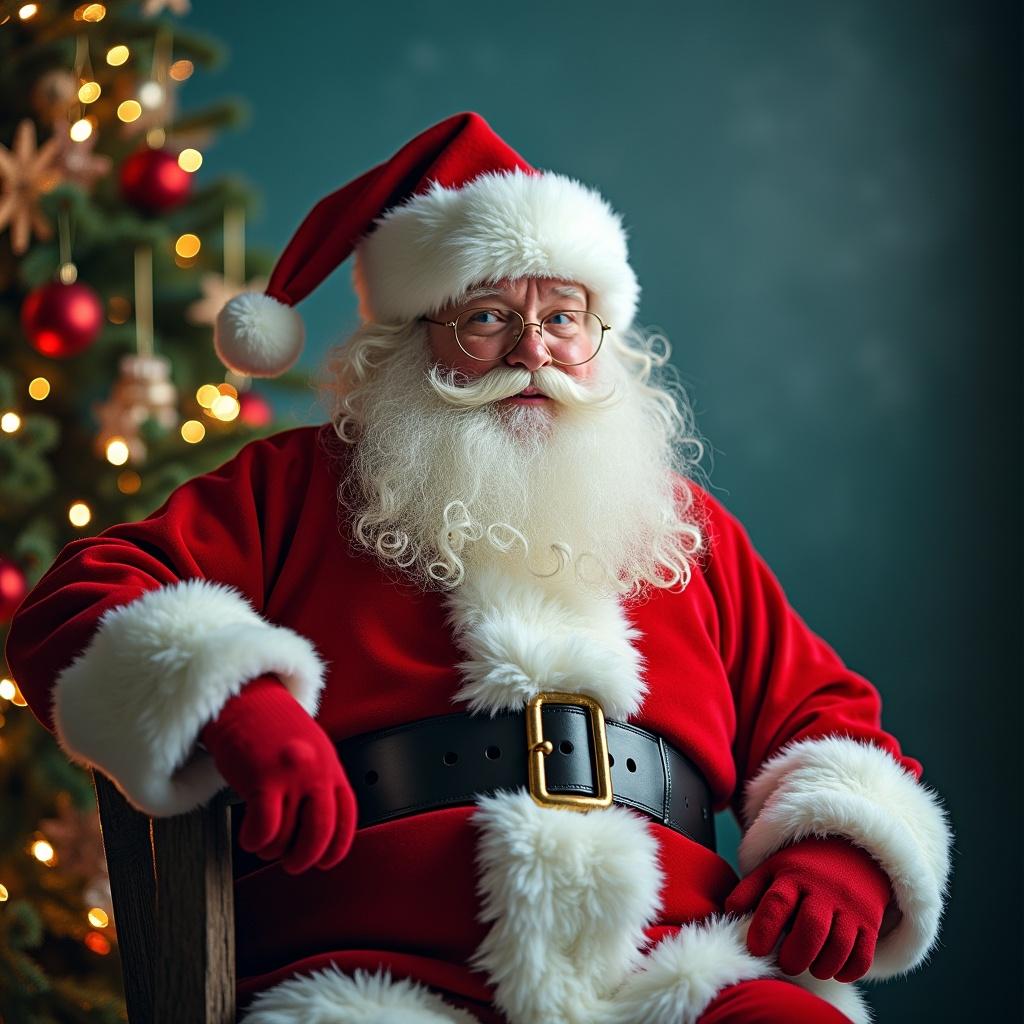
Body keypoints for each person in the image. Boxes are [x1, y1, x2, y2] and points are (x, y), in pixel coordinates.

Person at [4, 112, 952, 1024]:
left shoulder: (682, 531)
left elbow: (824, 713)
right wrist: (231, 700)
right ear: (410, 338)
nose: (534, 350)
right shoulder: (293, 489)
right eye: (489, 317)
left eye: (564, 317)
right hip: (374, 974)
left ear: (602, 339)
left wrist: (842, 845)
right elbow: (76, 601)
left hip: (673, 976)